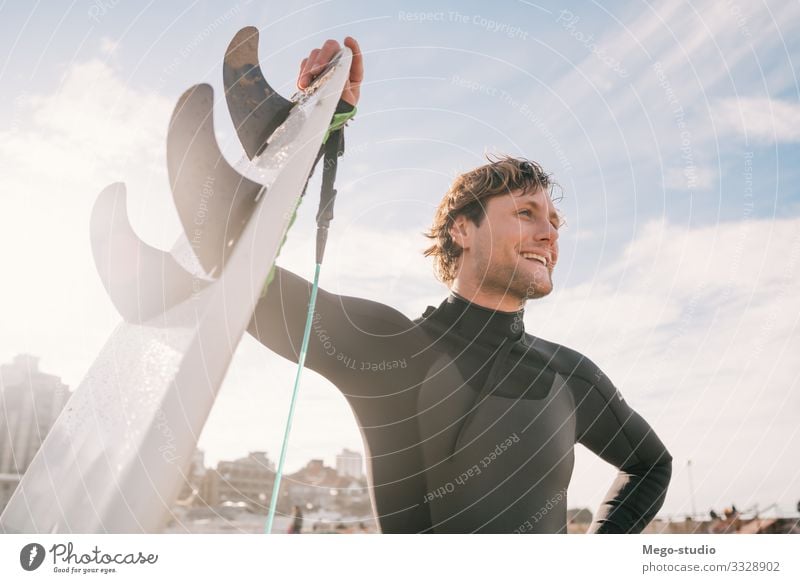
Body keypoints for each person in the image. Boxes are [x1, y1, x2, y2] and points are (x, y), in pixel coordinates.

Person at [248, 37, 672, 533]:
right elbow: (243, 277)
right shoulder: (388, 347)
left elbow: (651, 466)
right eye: (525, 213)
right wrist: (316, 125)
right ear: (462, 230)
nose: (549, 233)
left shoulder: (569, 376)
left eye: (556, 222)